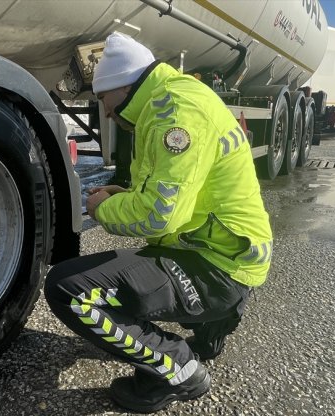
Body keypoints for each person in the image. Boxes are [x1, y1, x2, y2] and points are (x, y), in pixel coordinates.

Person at [44, 32, 272, 413]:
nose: (108, 112)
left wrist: (101, 209)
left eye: (104, 100)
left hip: (218, 269)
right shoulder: (170, 99)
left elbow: (159, 215)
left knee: (70, 289)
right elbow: (174, 192)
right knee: (137, 263)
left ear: (123, 86)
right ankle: (213, 323)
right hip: (227, 254)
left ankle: (178, 368)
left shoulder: (174, 114)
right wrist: (124, 195)